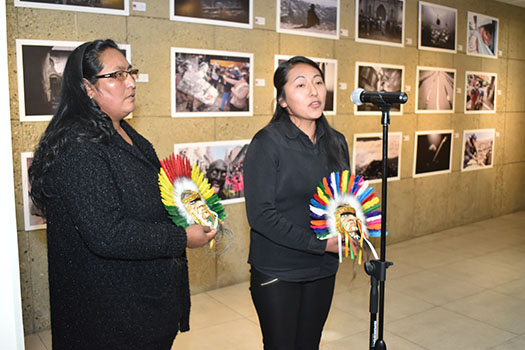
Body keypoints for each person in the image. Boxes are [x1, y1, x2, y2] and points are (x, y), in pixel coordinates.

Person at [28, 39, 216, 350]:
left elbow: (152, 199)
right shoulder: (79, 148)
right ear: (87, 88)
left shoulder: (127, 134)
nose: (130, 82)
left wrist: (189, 205)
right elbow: (108, 234)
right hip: (109, 320)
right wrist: (182, 238)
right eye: (116, 75)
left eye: (130, 72)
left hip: (143, 307)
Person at [243, 56, 350, 349]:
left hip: (323, 268)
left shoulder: (337, 141)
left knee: (309, 344)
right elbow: (261, 215)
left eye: (318, 82)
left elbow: (342, 198)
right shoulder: (267, 142)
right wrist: (320, 244)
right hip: (279, 270)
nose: (314, 91)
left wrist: (351, 225)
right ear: (282, 100)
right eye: (301, 84)